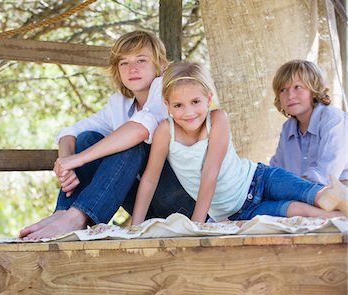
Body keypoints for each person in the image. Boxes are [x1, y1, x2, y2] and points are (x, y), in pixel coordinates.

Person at [19, 30, 196, 240]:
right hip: (146, 209)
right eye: (124, 63)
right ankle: (63, 212)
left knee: (131, 143)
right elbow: (70, 132)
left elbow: (140, 129)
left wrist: (78, 159)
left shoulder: (166, 90)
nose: (132, 68)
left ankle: (79, 216)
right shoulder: (119, 104)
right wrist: (66, 161)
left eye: (141, 60)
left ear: (159, 65)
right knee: (88, 138)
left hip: (182, 204)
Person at [131, 61, 347, 225]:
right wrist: (136, 226)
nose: (188, 112)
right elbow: (150, 178)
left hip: (260, 179)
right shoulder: (164, 131)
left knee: (314, 194)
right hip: (241, 212)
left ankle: (336, 197)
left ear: (208, 98)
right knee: (306, 213)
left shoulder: (217, 119)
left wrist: (197, 225)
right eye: (178, 105)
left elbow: (210, 172)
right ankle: (338, 213)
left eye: (195, 102)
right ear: (167, 104)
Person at [270, 60, 348, 185]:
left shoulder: (333, 120)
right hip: (305, 195)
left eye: (297, 87)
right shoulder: (288, 128)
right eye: (283, 90)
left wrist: (286, 187)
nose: (290, 96)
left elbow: (326, 176)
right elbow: (276, 171)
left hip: (338, 194)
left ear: (314, 90)